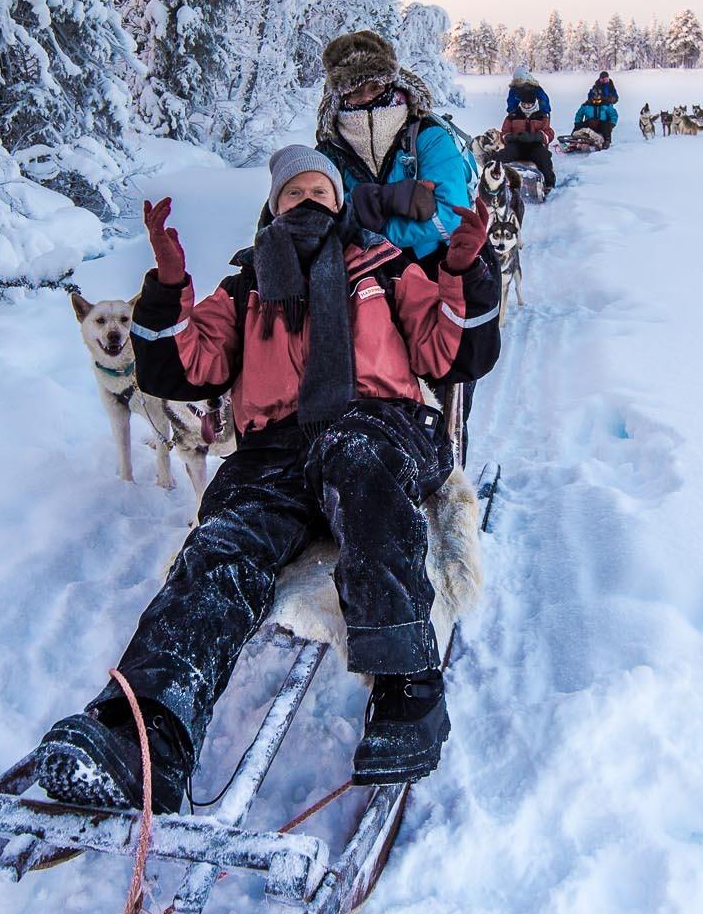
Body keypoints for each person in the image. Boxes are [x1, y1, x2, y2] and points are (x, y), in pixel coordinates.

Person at [32, 148, 500, 812]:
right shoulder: (247, 288)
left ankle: (408, 692)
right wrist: (167, 288)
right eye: (294, 192)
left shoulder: (385, 269)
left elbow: (447, 351)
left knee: (353, 450)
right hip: (277, 451)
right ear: (273, 206)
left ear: (340, 201)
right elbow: (183, 371)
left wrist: (459, 273)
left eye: (321, 189)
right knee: (225, 537)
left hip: (382, 427)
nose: (308, 200)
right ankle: (147, 732)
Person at [315, 31, 478, 264]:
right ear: (340, 95)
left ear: (391, 83)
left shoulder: (427, 135)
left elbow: (452, 216)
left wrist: (375, 231)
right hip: (356, 272)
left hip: (427, 265)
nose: (365, 98)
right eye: (354, 91)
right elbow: (321, 218)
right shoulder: (330, 149)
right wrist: (390, 200)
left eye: (375, 87)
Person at [495, 65, 559, 189]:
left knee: (543, 156)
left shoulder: (541, 115)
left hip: (534, 145)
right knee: (501, 155)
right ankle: (494, 180)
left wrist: (536, 137)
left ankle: (549, 182)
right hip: (517, 145)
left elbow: (549, 133)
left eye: (529, 104)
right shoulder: (513, 115)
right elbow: (504, 132)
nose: (527, 106)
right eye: (524, 104)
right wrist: (511, 137)